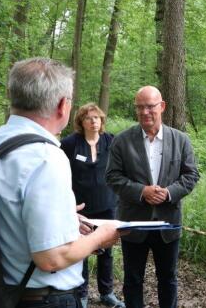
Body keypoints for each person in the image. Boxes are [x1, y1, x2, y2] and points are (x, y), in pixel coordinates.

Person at [0, 57, 121, 308]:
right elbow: (51, 258)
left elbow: (5, 208)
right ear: (63, 106)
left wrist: (64, 217)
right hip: (41, 298)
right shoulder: (46, 157)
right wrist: (101, 236)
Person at [106, 86, 199, 308]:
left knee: (168, 279)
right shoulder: (122, 141)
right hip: (134, 223)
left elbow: (191, 174)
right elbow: (112, 176)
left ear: (162, 106)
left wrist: (168, 193)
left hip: (168, 223)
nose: (145, 112)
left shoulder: (180, 140)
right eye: (140, 107)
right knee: (132, 279)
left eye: (150, 106)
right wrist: (141, 191)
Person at [60, 103, 124, 308]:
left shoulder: (111, 141)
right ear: (81, 122)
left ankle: (107, 293)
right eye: (89, 118)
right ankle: (82, 293)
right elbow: (60, 172)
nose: (94, 121)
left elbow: (122, 168)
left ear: (102, 121)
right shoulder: (70, 143)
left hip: (107, 204)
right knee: (81, 250)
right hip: (80, 207)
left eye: (97, 118)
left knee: (106, 250)